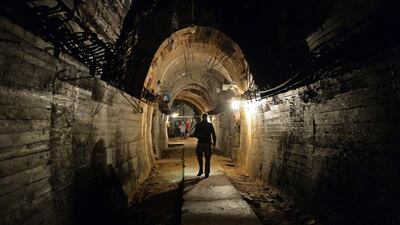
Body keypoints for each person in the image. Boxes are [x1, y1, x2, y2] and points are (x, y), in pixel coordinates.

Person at [193, 113, 216, 178]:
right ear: (207, 117)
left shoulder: (198, 124)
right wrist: (214, 143)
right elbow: (213, 134)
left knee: (199, 157)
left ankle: (200, 170)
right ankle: (207, 172)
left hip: (200, 143)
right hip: (208, 144)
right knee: (207, 158)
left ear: (202, 117)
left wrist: (199, 137)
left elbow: (194, 134)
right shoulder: (210, 125)